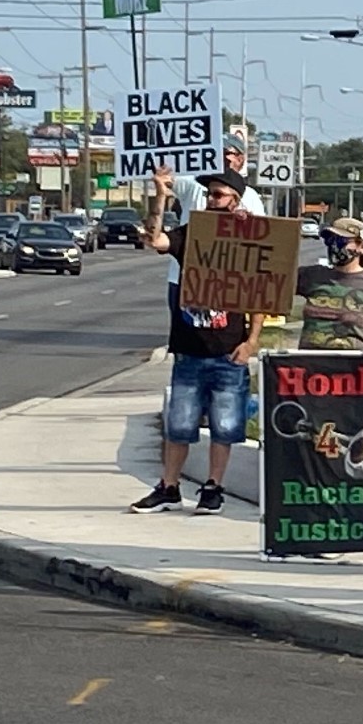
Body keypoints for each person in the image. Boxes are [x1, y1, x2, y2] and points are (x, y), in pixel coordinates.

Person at [129, 167, 264, 515]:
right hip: (189, 350)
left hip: (228, 352)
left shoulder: (250, 237)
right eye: (208, 195)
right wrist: (160, 194)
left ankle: (213, 487)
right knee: (179, 426)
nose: (210, 200)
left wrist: (251, 342)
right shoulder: (193, 233)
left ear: (235, 200)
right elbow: (157, 241)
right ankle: (169, 486)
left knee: (225, 427)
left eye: (218, 195)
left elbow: (263, 293)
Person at [164, 136, 265, 312]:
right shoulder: (194, 185)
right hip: (185, 278)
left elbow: (262, 242)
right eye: (214, 153)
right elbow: (164, 175)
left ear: (240, 159)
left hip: (227, 282)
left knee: (222, 334)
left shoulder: (251, 197)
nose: (211, 199)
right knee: (184, 335)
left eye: (226, 154)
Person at [295, 217, 363, 351]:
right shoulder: (312, 275)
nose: (334, 246)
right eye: (330, 240)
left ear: (361, 247)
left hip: (352, 368)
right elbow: (272, 285)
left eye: (341, 241)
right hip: (309, 367)